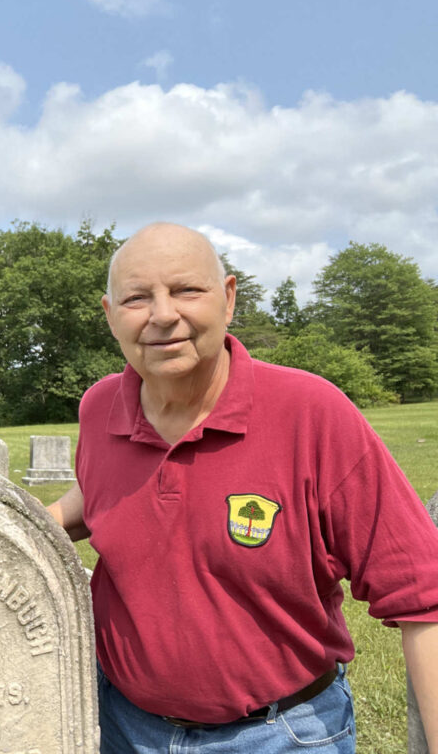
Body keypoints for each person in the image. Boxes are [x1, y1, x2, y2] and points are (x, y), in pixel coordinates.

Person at [48, 222, 438, 753]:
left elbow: (422, 594)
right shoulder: (100, 407)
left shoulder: (310, 413)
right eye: (137, 298)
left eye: (187, 290)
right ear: (110, 314)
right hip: (123, 727)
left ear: (228, 298)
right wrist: (21, 530)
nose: (163, 315)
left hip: (281, 734)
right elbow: (103, 494)